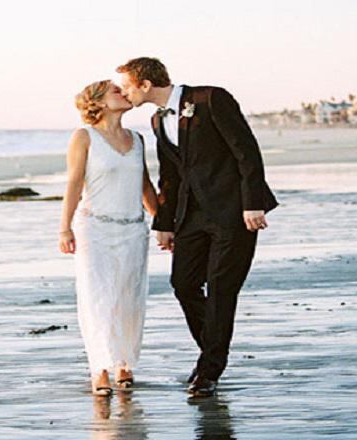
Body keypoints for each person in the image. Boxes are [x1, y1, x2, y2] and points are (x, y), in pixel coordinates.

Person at [117, 57, 279, 397]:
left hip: (234, 212)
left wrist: (253, 203)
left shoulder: (210, 99)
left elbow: (246, 152)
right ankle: (212, 352)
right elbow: (170, 175)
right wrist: (164, 223)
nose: (123, 92)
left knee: (221, 289)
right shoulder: (157, 120)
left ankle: (209, 370)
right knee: (183, 284)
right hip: (191, 217)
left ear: (145, 84)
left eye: (127, 86)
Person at [59, 79, 159, 396]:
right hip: (95, 230)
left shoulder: (137, 138)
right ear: (98, 102)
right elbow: (74, 183)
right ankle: (99, 368)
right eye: (116, 91)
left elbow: (145, 186)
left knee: (129, 299)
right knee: (97, 298)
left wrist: (165, 223)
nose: (124, 93)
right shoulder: (84, 137)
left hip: (133, 230)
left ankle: (124, 363)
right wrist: (65, 227)